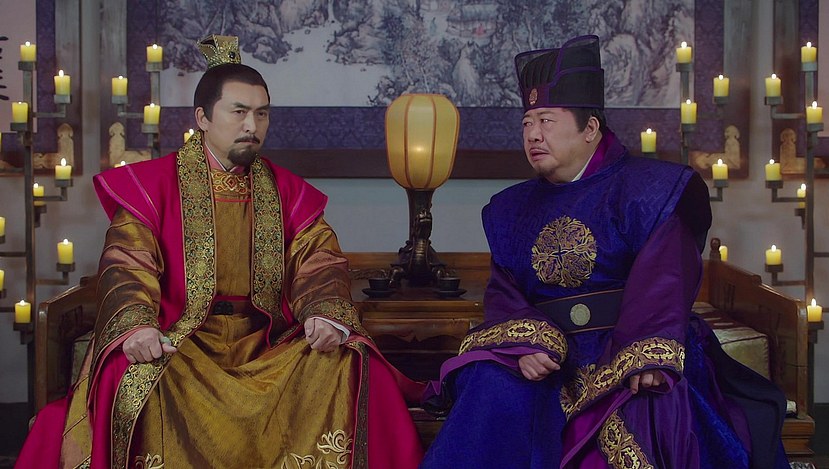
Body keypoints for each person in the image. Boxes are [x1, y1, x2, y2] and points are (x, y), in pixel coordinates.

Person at [16, 34, 423, 469]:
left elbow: (318, 260)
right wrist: (137, 326)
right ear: (203, 118)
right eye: (239, 111)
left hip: (264, 344)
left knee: (349, 362)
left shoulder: (287, 191)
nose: (253, 125)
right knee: (134, 374)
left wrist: (324, 313)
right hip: (183, 342)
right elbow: (127, 264)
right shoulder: (152, 187)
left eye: (262, 113)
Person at [421, 35, 789, 468]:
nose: (533, 134)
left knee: (651, 403)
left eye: (546, 120)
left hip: (628, 343)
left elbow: (666, 277)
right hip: (550, 357)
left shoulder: (649, 191)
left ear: (590, 128)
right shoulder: (510, 210)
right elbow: (505, 291)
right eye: (527, 123)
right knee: (490, 384)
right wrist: (524, 345)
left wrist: (644, 353)